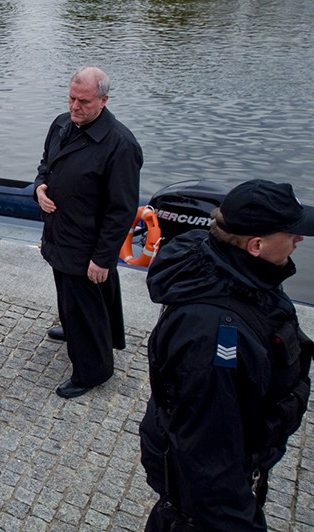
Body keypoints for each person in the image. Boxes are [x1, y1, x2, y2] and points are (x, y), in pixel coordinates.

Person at [139, 179, 313, 531]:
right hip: (204, 492)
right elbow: (207, 455)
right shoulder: (214, 335)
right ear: (255, 245)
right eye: (290, 233)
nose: (299, 239)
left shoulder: (232, 266)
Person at [33, 66, 142, 399]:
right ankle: (73, 328)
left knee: (86, 301)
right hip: (60, 231)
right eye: (71, 98)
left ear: (104, 100)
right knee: (69, 295)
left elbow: (122, 210)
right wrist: (39, 188)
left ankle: (93, 370)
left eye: (83, 101)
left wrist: (103, 258)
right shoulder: (61, 124)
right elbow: (45, 164)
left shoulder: (120, 145)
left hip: (87, 240)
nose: (74, 107)